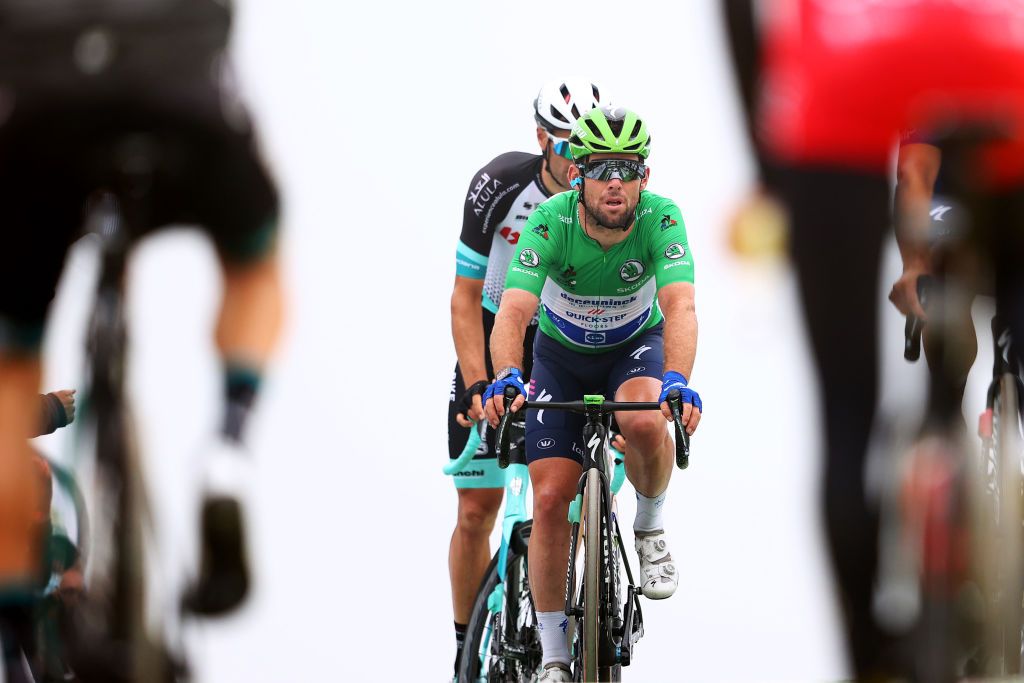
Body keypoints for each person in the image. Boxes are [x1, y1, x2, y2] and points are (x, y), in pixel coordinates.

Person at [721, 0, 1024, 677]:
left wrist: (770, 168)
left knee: (847, 411)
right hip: (1002, 62)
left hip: (841, 78)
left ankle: (873, 660)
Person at [0, 0, 284, 618]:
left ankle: (17, 621)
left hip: (43, 101)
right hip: (180, 87)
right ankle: (228, 446)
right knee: (254, 264)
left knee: (14, 360)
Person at [482, 105, 703, 682]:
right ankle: (555, 654)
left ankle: (650, 527)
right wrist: (507, 374)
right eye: (601, 168)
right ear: (578, 174)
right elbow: (514, 310)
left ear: (643, 178)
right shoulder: (551, 222)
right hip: (560, 359)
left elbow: (680, 306)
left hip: (632, 349)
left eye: (627, 169)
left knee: (649, 422)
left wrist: (678, 383)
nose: (614, 181)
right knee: (551, 497)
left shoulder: (663, 218)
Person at [448, 80, 605, 675]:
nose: (580, 165)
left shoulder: (607, 200)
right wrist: (475, 382)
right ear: (541, 139)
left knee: (568, 493)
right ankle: (464, 647)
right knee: (474, 510)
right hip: (494, 332)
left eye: (591, 153)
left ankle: (576, 614)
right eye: (569, 148)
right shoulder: (500, 185)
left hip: (561, 341)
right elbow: (465, 297)